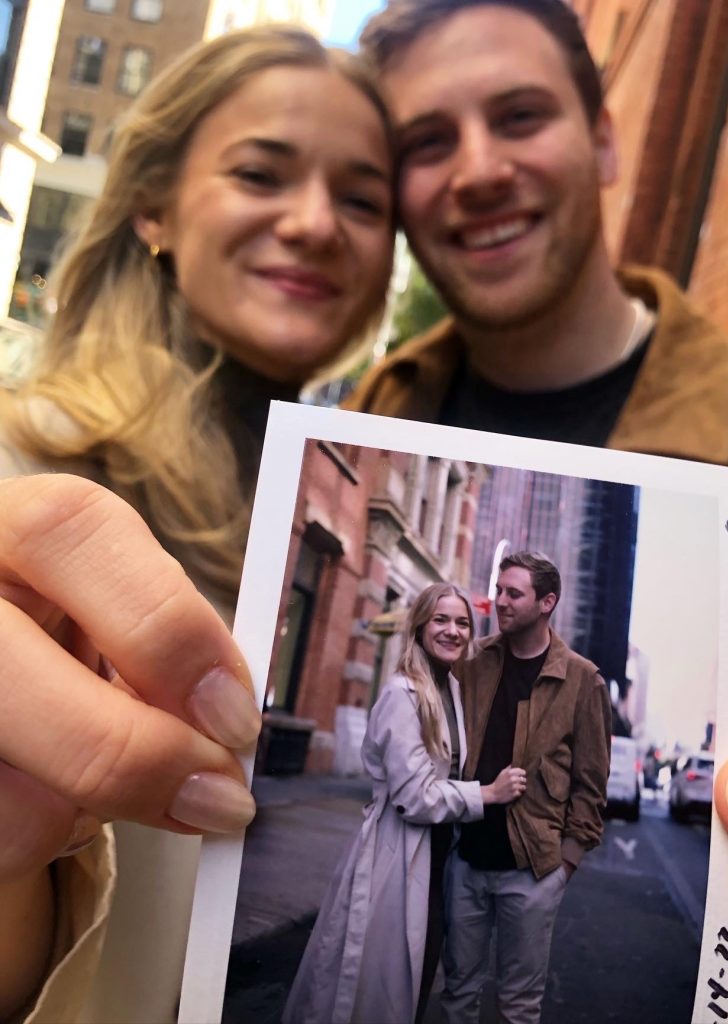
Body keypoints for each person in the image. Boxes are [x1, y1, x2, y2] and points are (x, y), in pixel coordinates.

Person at [350, 2, 728, 1022]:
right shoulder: (383, 402)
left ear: (606, 141)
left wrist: (565, 851)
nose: (479, 167)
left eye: (521, 115)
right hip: (444, 866)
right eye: (428, 141)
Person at [0, 25, 395, 1023]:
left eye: (363, 198)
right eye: (262, 173)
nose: (315, 223)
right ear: (152, 206)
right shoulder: (16, 477)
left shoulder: (325, 499)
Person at [282, 582, 527, 1024]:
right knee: (374, 987)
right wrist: (487, 794)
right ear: (419, 626)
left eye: (462, 622)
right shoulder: (401, 693)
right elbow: (414, 796)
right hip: (395, 855)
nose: (453, 631)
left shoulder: (450, 689)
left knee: (415, 978)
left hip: (436, 859)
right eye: (441, 620)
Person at [440, 552, 610, 1024]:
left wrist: (565, 865)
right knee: (457, 994)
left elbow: (591, 784)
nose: (500, 601)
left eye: (513, 593)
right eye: (499, 590)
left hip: (532, 871)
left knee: (518, 1006)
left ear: (546, 602)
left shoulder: (582, 680)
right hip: (467, 861)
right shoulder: (475, 661)